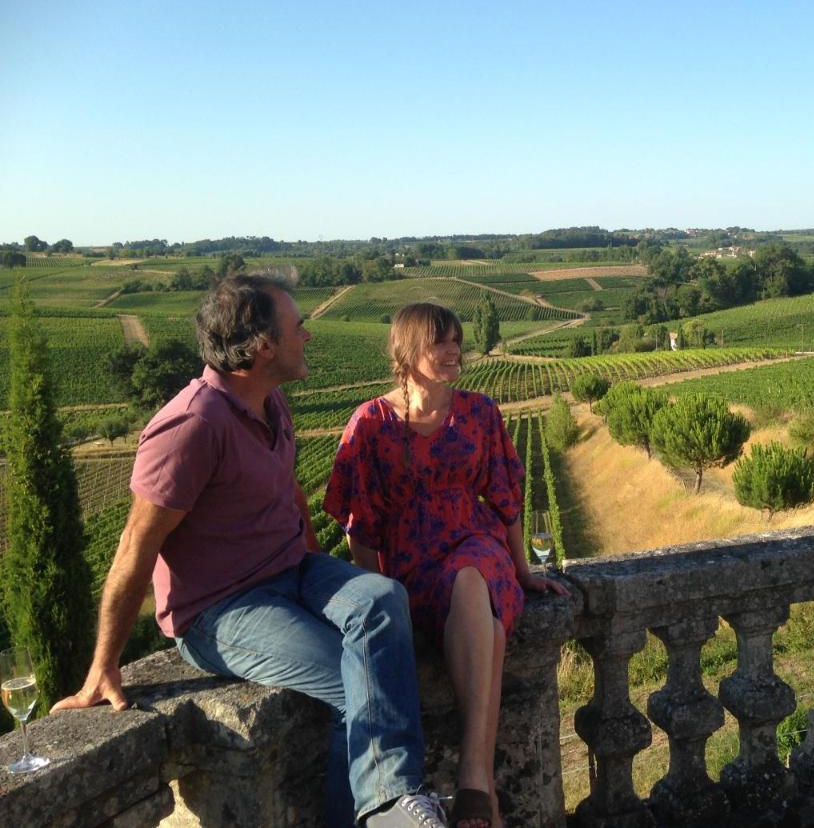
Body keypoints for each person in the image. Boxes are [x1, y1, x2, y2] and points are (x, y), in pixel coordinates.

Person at [54, 274, 446, 828]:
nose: (308, 336)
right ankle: (381, 811)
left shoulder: (269, 402)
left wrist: (323, 580)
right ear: (264, 347)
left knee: (381, 596)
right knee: (349, 676)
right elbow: (135, 548)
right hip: (220, 609)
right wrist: (103, 666)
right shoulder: (191, 426)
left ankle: (388, 801)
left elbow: (289, 494)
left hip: (291, 571)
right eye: (297, 327)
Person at [323, 302, 568, 828]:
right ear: (408, 351)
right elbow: (359, 524)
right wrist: (379, 599)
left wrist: (524, 572)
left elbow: (505, 498)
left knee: (472, 576)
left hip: (476, 544)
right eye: (441, 342)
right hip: (410, 564)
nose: (455, 350)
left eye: (458, 340)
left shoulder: (479, 412)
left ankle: (474, 782)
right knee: (487, 629)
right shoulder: (371, 423)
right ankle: (484, 800)